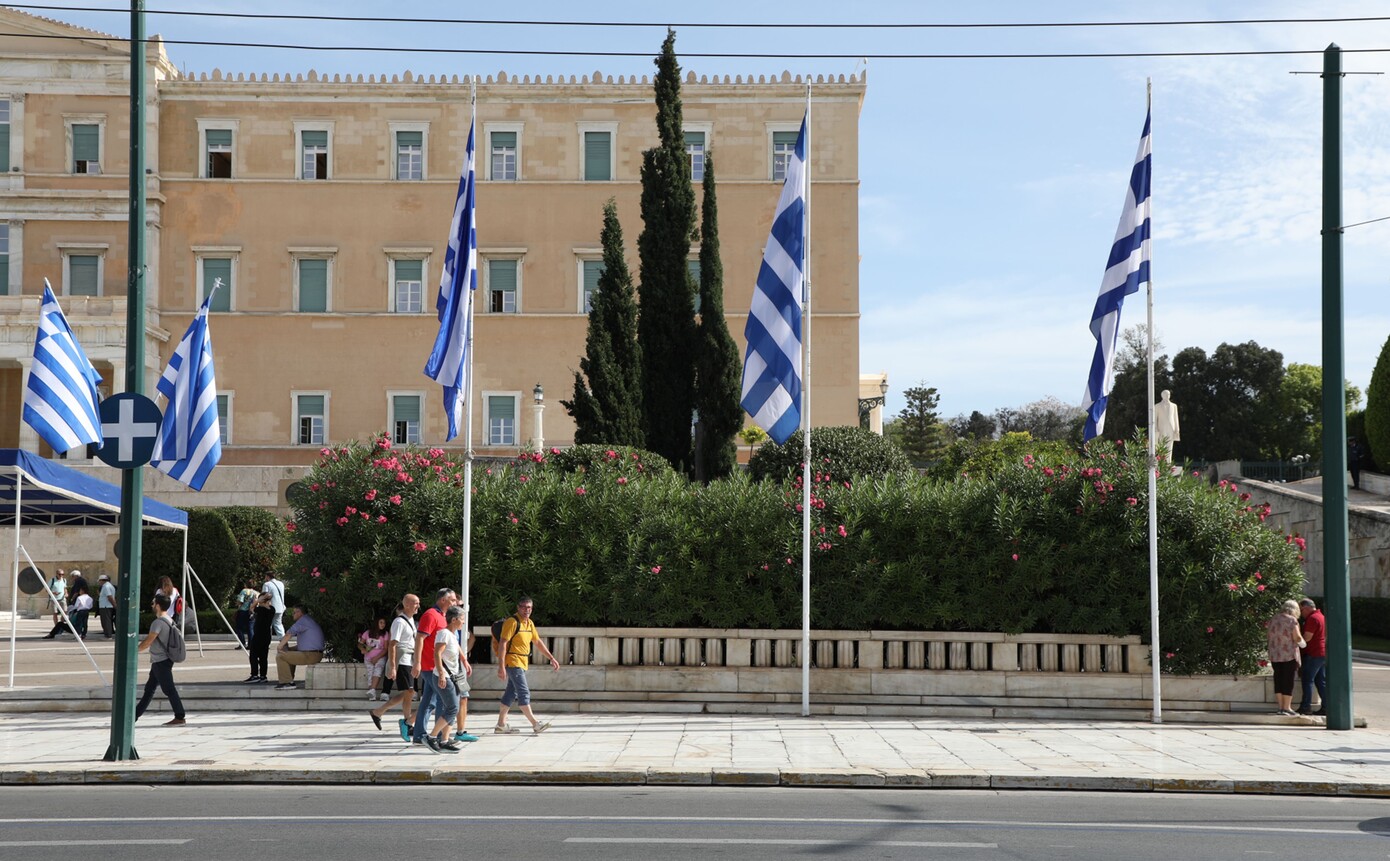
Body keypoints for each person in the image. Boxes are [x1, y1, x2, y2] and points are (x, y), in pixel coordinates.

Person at [494, 595, 559, 735]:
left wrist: (551, 658)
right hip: (513, 661)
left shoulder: (529, 623)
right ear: (518, 608)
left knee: (511, 693)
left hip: (522, 662)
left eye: (529, 607)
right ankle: (535, 724)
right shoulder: (512, 622)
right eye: (523, 607)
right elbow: (503, 643)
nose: (526, 610)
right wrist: (501, 666)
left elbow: (537, 642)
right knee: (524, 692)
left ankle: (500, 725)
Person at [410, 588, 456, 745]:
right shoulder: (431, 615)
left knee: (429, 701)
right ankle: (438, 736)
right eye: (452, 600)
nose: (455, 603)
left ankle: (420, 735)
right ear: (443, 600)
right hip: (431, 666)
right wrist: (417, 662)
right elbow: (420, 638)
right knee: (443, 701)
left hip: (437, 666)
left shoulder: (443, 616)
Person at [370, 594, 420, 737]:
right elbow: (393, 644)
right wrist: (392, 666)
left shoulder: (410, 620)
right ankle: (381, 712)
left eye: (418, 603)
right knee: (408, 691)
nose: (418, 606)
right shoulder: (399, 622)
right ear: (407, 605)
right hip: (402, 660)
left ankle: (403, 720)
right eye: (415, 603)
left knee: (409, 692)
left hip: (409, 659)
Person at [421, 606, 468, 754]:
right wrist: (441, 673)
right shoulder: (444, 633)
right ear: (454, 620)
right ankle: (431, 737)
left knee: (453, 708)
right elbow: (437, 654)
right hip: (444, 677)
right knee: (452, 708)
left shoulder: (452, 635)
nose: (463, 623)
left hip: (453, 676)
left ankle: (444, 741)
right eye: (462, 620)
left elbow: (456, 649)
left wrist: (464, 660)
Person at [135, 594, 186, 726]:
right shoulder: (169, 619)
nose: (152, 605)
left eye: (153, 603)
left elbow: (148, 641)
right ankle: (134, 715)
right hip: (162, 659)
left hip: (161, 660)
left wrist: (134, 651)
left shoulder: (157, 623)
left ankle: (180, 716)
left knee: (169, 689)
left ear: (158, 605)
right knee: (149, 688)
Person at [1267, 599, 1304, 717]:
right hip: (1289, 655)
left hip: (1275, 654)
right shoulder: (1292, 620)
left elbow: (1269, 635)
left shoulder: (1273, 619)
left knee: (1278, 679)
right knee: (1288, 680)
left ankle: (1280, 707)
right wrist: (1303, 643)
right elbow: (1297, 637)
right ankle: (1286, 707)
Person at [274, 604, 325, 690]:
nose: (292, 614)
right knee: (287, 652)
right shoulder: (308, 620)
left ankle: (287, 682)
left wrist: (280, 646)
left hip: (311, 655)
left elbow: (289, 634)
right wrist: (288, 648)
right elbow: (307, 644)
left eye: (294, 612)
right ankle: (289, 680)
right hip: (314, 653)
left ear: (299, 612)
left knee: (281, 656)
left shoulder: (303, 621)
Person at [1298, 598, 1328, 716]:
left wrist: (1297, 643)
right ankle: (1326, 707)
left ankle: (1305, 707)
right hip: (1321, 653)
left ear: (1306, 608)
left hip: (1313, 653)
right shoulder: (1321, 616)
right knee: (1320, 681)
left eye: (1301, 610)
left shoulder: (1312, 618)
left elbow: (1307, 637)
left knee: (1307, 680)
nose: (1301, 613)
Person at [245, 591, 276, 683]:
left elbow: (251, 608)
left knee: (253, 655)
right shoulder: (272, 609)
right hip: (267, 635)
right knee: (263, 656)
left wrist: (257, 601)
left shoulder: (260, 609)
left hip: (258, 635)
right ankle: (263, 676)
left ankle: (254, 675)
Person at [358, 614, 389, 701]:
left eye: (384, 623)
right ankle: (372, 693)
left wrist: (377, 658)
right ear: (376, 623)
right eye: (381, 622)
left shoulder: (385, 634)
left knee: (378, 671)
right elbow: (360, 643)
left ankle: (372, 690)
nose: (383, 625)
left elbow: (386, 649)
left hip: (380, 657)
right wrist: (362, 649)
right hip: (368, 657)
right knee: (370, 672)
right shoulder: (367, 633)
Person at [233, 579, 260, 648]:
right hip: (252, 612)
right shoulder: (256, 593)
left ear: (246, 584)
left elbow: (240, 601)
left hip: (243, 611)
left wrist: (237, 604)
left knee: (239, 628)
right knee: (250, 628)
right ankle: (251, 644)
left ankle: (242, 643)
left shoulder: (244, 591)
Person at [261, 571, 287, 638]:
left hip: (270, 607)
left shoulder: (267, 584)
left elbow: (264, 596)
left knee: (267, 625)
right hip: (280, 607)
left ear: (267, 576)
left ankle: (266, 643)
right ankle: (283, 642)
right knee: (278, 624)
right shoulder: (281, 584)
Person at [96, 574, 117, 639]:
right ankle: (108, 634)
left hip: (106, 606)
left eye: (99, 581)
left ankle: (108, 635)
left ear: (102, 580)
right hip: (106, 606)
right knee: (107, 621)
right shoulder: (110, 586)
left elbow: (109, 597)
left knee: (106, 621)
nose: (99, 583)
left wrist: (115, 605)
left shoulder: (106, 586)